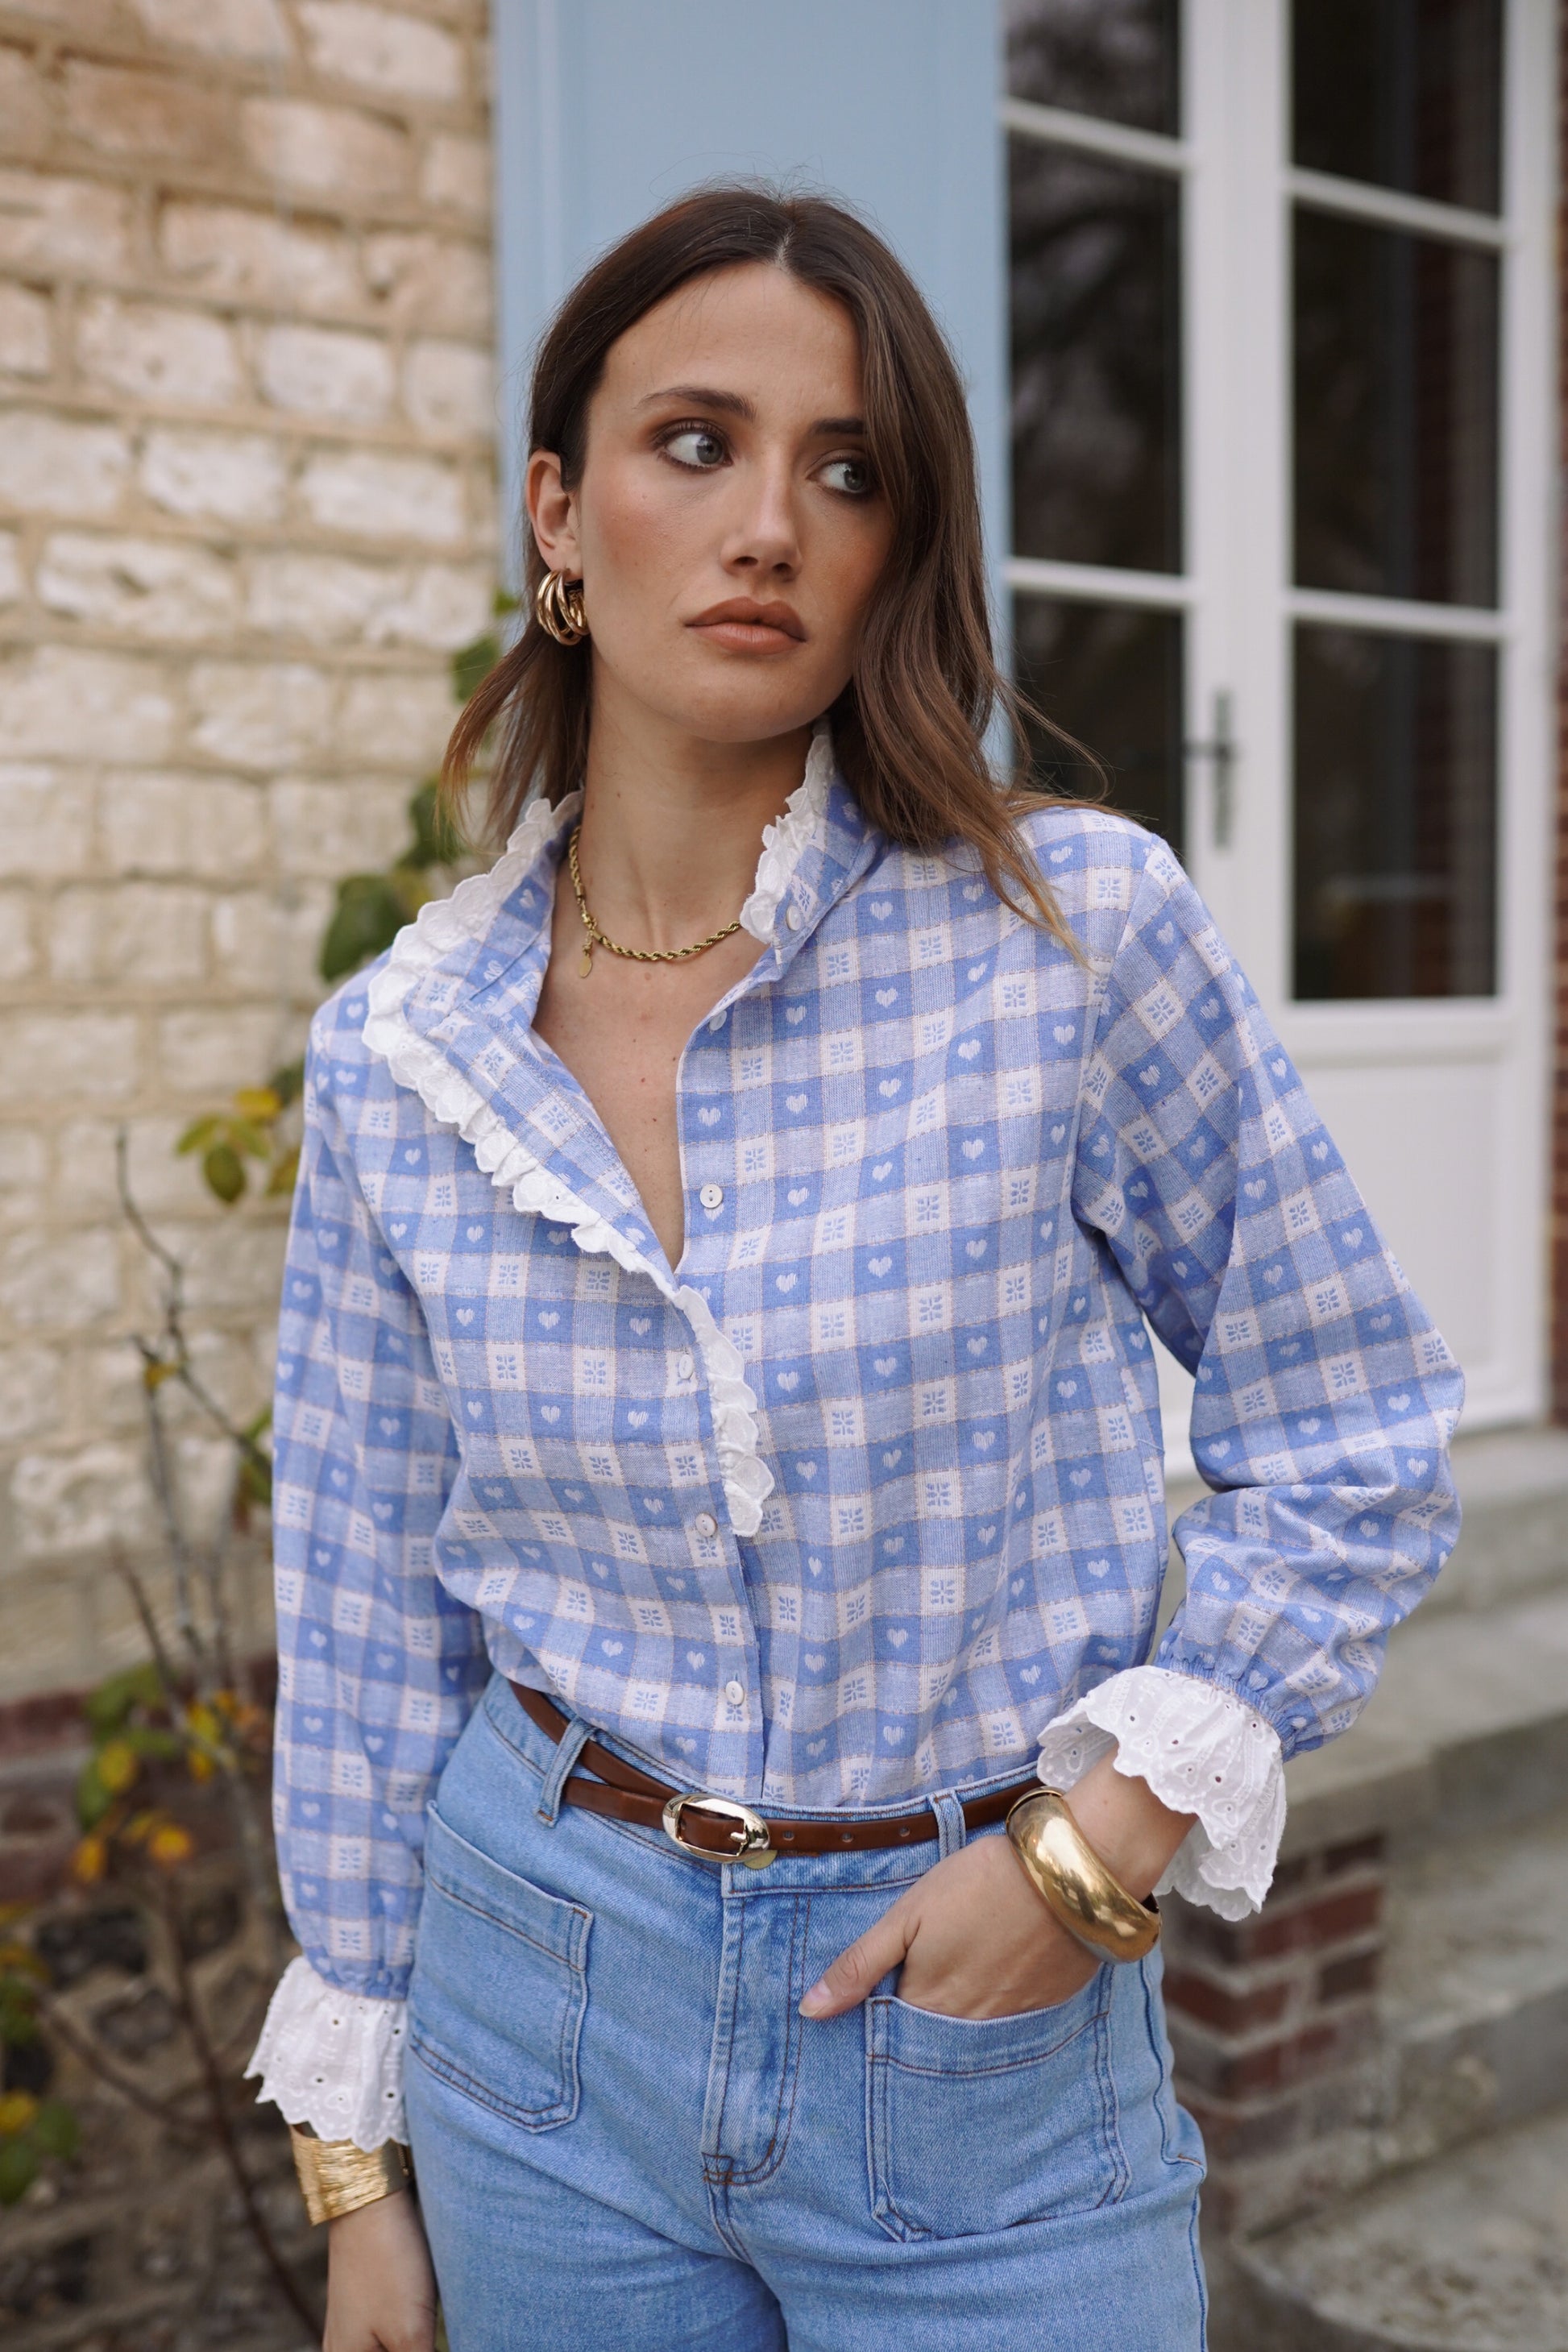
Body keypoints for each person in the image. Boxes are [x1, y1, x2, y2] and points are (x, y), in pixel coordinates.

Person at [246, 186, 1462, 2352]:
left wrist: (1089, 1852)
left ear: (903, 547)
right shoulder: (403, 1055)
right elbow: (362, 1624)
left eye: (848, 469)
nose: (767, 527)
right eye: (693, 443)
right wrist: (363, 2175)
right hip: (540, 2019)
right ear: (558, 512)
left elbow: (1353, 1435)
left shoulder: (1067, 941)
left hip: (976, 2034)